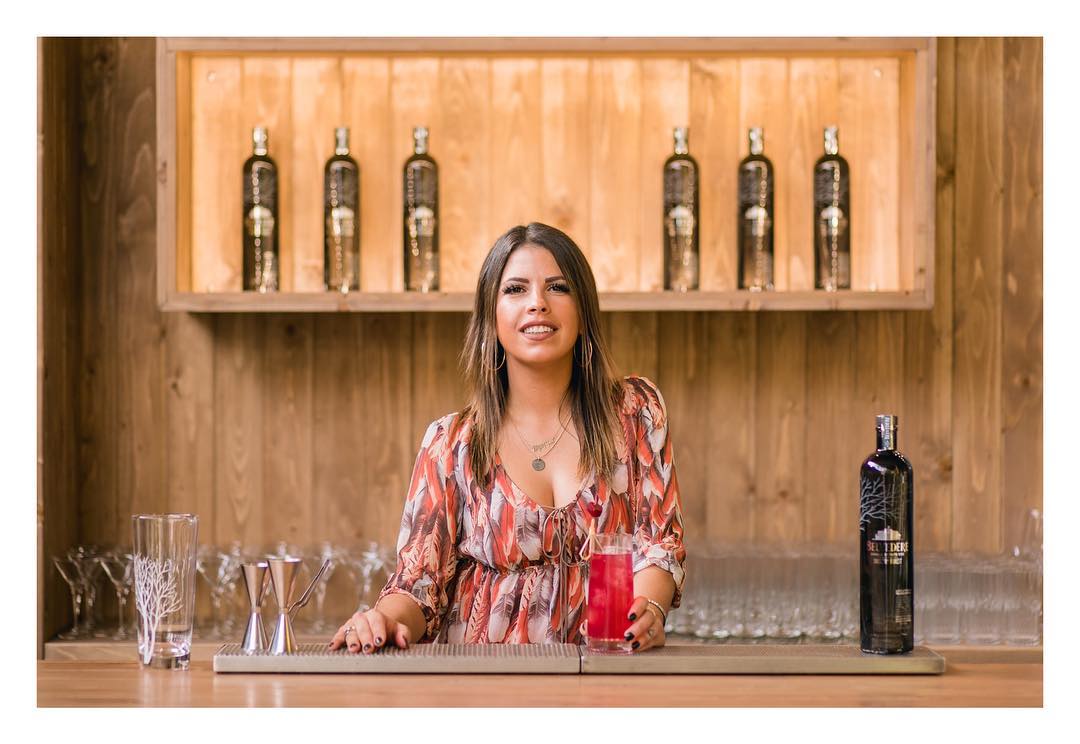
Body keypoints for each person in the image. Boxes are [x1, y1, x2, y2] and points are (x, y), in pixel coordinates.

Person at [329, 222, 686, 654]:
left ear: (584, 311)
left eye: (558, 287)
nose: (537, 304)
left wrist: (647, 607)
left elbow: (658, 545)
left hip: (606, 677)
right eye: (515, 289)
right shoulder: (452, 443)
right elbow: (417, 586)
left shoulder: (634, 413)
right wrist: (382, 619)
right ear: (491, 316)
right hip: (484, 686)